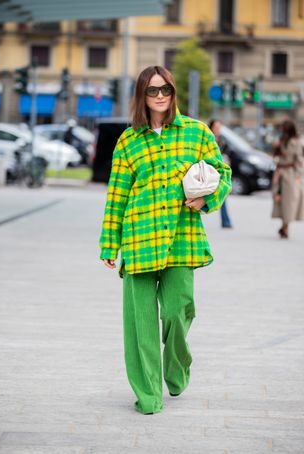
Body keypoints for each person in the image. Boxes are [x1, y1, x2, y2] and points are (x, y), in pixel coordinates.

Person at [99, 66, 232, 415]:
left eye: (166, 89)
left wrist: (207, 200)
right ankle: (148, 395)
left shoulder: (196, 133)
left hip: (182, 239)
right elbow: (117, 196)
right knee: (140, 323)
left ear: (174, 93)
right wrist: (109, 244)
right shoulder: (129, 141)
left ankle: (176, 366)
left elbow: (223, 172)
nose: (160, 96)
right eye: (152, 90)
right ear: (141, 95)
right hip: (139, 240)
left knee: (177, 311)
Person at [271, 120, 304, 238]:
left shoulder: (296, 142)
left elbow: (300, 160)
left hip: (291, 174)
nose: (281, 130)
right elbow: (275, 156)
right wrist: (275, 147)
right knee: (279, 200)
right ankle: (284, 226)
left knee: (289, 203)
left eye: (283, 128)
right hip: (280, 172)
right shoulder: (281, 140)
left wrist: (298, 175)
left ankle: (285, 227)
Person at [209, 119, 233, 228]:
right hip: (208, 173)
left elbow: (227, 154)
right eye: (216, 127)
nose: (218, 130)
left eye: (219, 128)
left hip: (220, 173)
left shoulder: (222, 141)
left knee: (223, 195)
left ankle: (226, 221)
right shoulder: (207, 139)